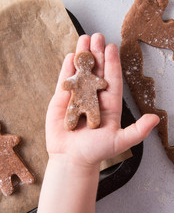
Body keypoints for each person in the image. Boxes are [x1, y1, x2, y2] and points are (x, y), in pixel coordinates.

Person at [37, 33, 160, 213]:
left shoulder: (78, 77)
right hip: (87, 102)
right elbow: (99, 83)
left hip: (79, 102)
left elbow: (73, 84)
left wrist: (72, 161)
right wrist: (73, 161)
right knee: (88, 114)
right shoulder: (84, 78)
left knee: (87, 115)